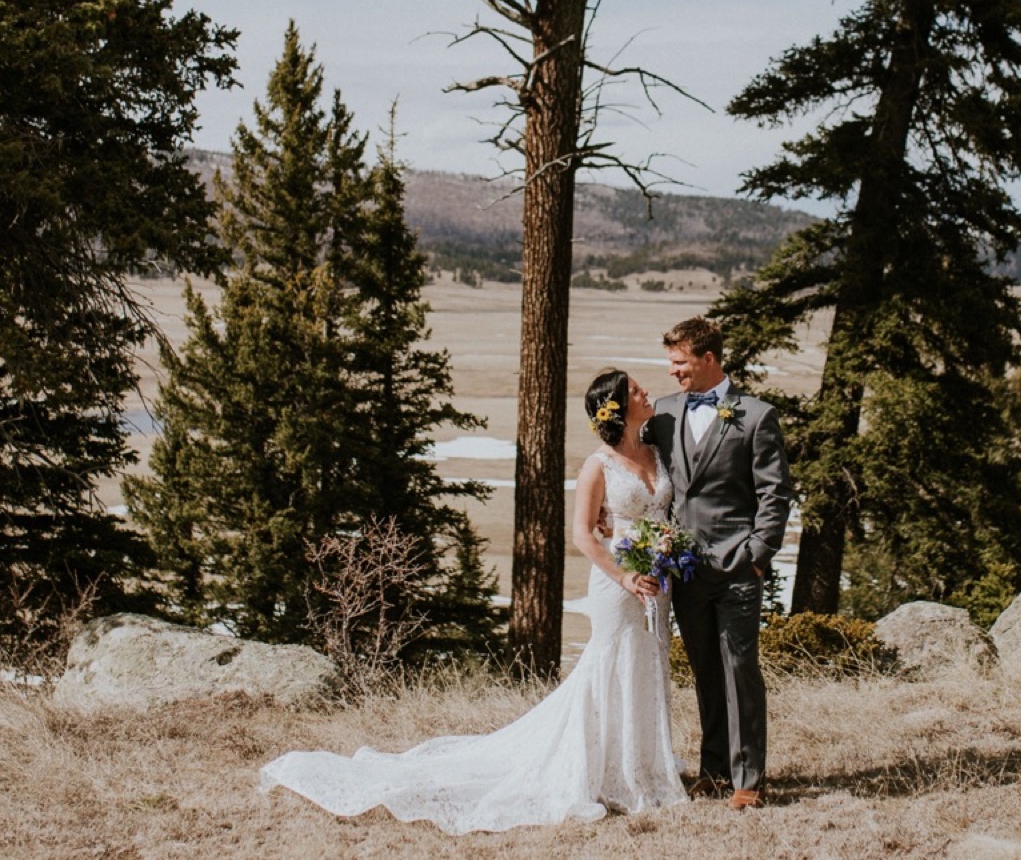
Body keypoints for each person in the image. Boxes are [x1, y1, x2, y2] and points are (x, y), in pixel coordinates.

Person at [260, 369, 685, 834]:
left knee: (648, 660)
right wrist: (624, 575)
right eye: (636, 392)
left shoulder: (658, 451)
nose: (646, 394)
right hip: (616, 583)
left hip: (656, 580)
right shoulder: (597, 466)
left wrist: (663, 556)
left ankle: (644, 764)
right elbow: (583, 534)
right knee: (610, 665)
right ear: (617, 409)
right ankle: (606, 771)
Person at [646, 315, 793, 810]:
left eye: (681, 362)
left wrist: (756, 555)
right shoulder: (664, 413)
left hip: (737, 568)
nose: (673, 372)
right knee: (705, 670)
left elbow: (775, 495)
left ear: (708, 359)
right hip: (685, 570)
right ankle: (712, 771)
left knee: (740, 668)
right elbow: (632, 461)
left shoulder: (755, 415)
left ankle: (749, 779)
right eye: (671, 363)